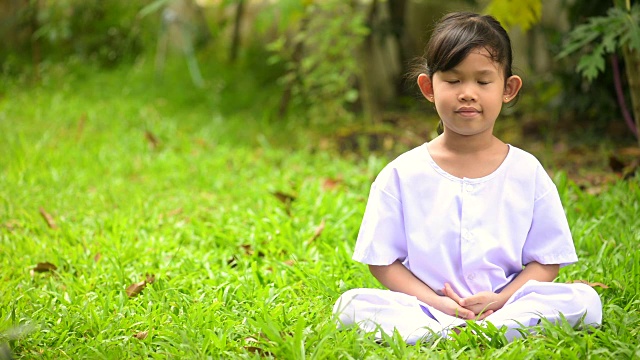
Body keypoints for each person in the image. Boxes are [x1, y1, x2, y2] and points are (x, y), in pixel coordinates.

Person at [332, 12, 602, 344]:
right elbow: (382, 262)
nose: (468, 93)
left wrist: (501, 300)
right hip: (425, 306)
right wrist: (437, 302)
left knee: (584, 301)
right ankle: (452, 329)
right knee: (351, 306)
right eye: (454, 80)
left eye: (483, 81)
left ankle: (473, 330)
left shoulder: (526, 172)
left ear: (509, 88)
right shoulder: (403, 174)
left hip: (506, 303)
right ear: (429, 88)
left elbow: (546, 262)